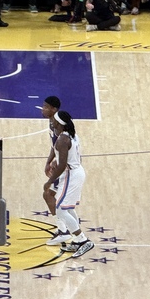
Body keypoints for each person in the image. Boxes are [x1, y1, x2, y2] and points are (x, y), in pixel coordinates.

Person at [43, 110, 94, 259]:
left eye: (54, 121)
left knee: (60, 210)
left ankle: (83, 240)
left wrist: (49, 181)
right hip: (74, 172)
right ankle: (77, 241)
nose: (52, 122)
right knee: (67, 208)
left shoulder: (62, 140)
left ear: (60, 123)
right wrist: (56, 161)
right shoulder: (71, 135)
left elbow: (62, 165)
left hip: (71, 174)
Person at [42, 96, 71, 246]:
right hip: (62, 165)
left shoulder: (60, 125)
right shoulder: (52, 122)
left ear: (54, 109)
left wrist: (56, 161)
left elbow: (62, 146)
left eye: (46, 107)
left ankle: (64, 230)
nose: (43, 109)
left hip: (66, 168)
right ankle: (64, 228)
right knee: (51, 196)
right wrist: (49, 160)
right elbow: (54, 146)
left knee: (49, 194)